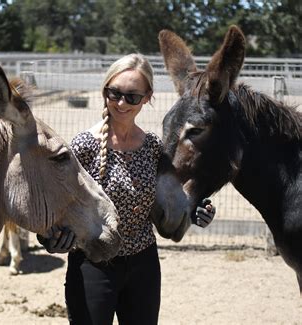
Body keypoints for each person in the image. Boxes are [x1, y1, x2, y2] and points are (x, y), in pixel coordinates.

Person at [37, 53, 216, 325]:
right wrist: (50, 237)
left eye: (132, 96)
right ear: (105, 91)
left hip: (144, 267)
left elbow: (171, 204)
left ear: (147, 97)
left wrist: (196, 210)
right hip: (92, 265)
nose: (121, 103)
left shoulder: (154, 148)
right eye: (115, 93)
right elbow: (54, 206)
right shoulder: (83, 147)